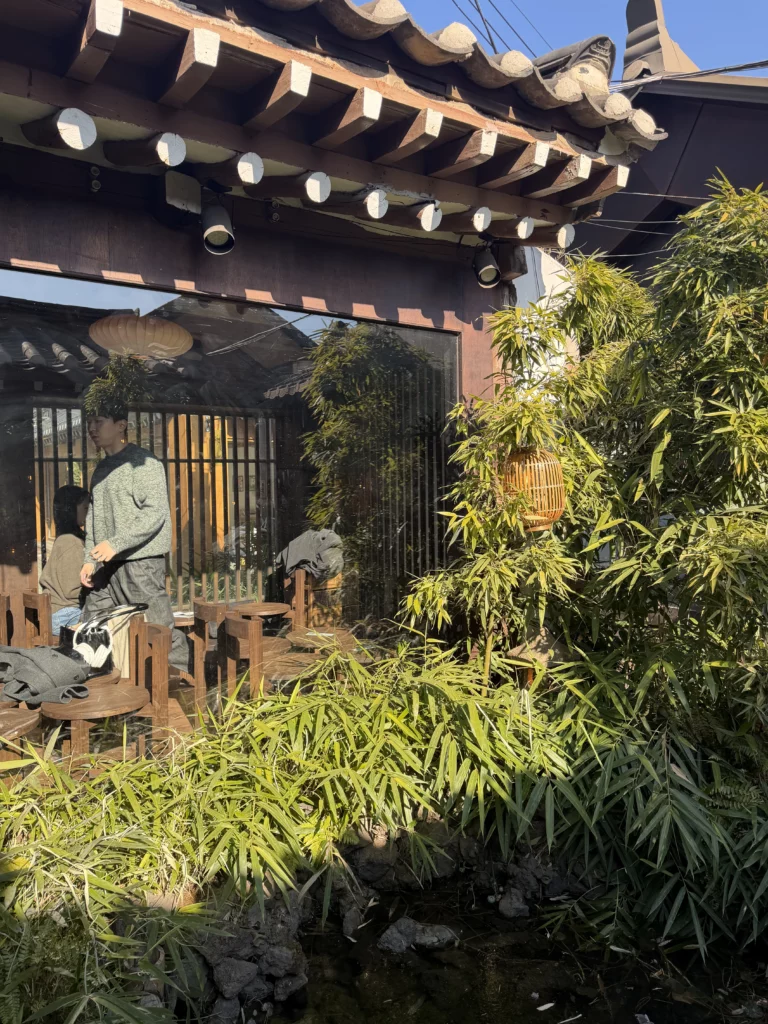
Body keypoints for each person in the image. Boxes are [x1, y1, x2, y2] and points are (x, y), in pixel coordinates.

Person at [80, 405, 178, 653]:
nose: (91, 428)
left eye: (99, 421)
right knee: (93, 630)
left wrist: (115, 543)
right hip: (105, 566)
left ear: (121, 425)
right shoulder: (102, 469)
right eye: (89, 422)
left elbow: (155, 512)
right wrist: (89, 559)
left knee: (156, 634)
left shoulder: (144, 464)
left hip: (140, 564)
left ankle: (186, 687)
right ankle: (102, 688)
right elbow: (94, 519)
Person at [39, 485, 90, 636]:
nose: (90, 513)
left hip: (58, 612)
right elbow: (71, 590)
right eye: (86, 508)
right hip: (65, 614)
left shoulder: (65, 537)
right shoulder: (71, 541)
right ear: (71, 509)